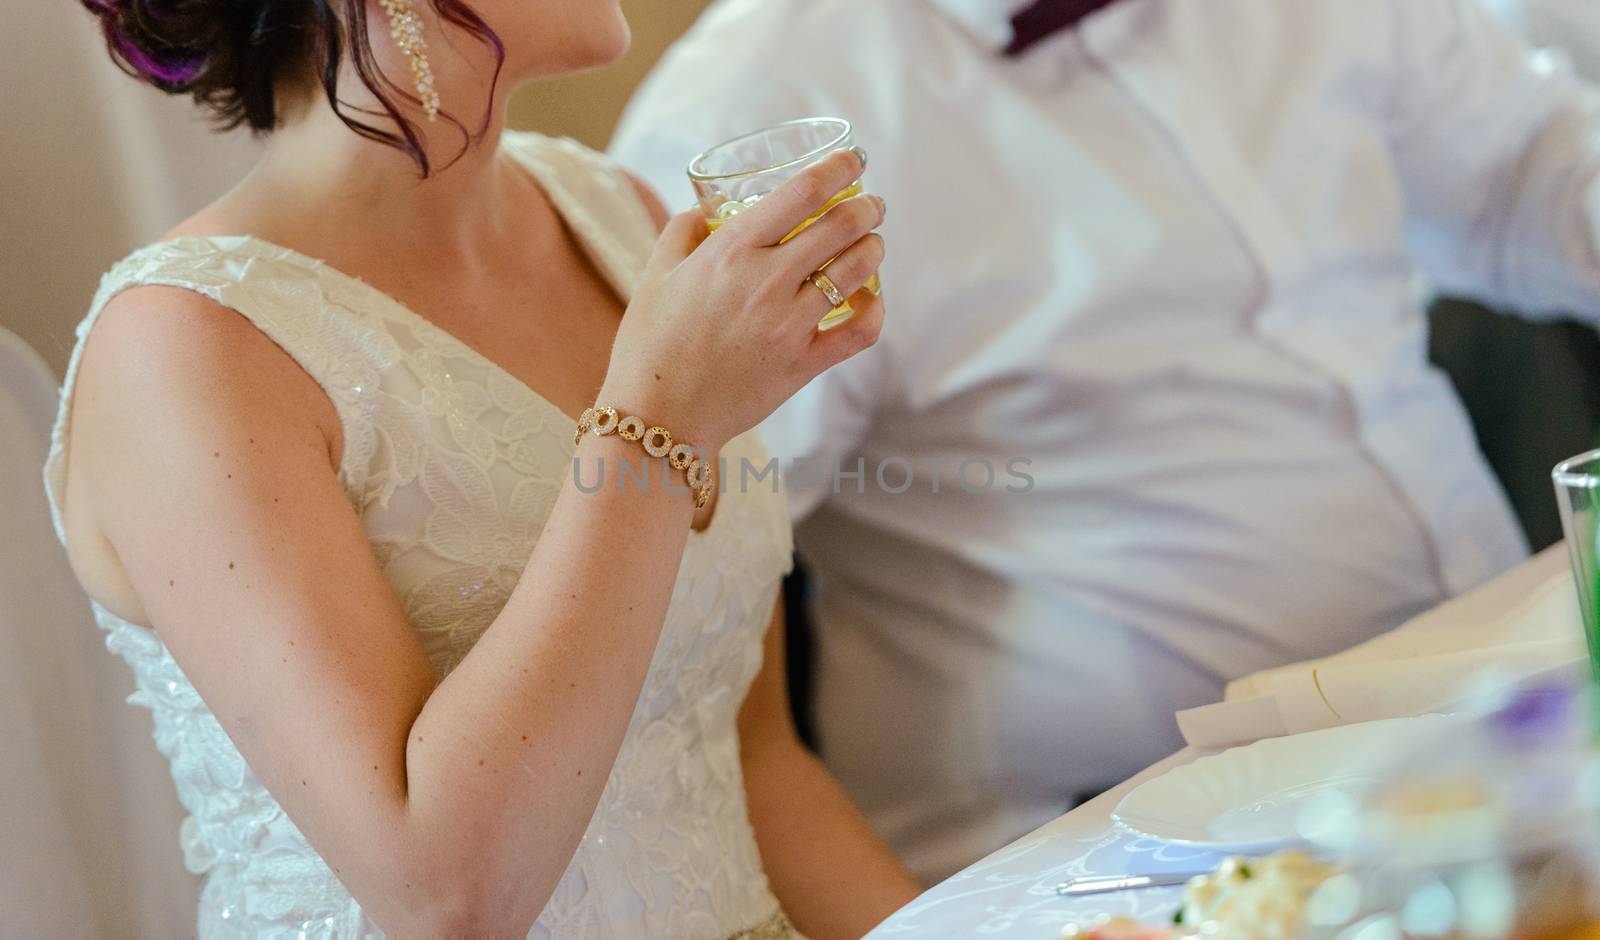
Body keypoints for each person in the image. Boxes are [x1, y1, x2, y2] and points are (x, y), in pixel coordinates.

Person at [612, 0, 1600, 881]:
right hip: (1126, 846)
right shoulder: (762, 115)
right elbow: (688, 565)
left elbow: (1530, 170)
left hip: (1491, 719)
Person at [46, 0, 922, 934]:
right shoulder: (185, 348)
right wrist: (659, 422)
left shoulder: (618, 214)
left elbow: (753, 763)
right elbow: (443, 896)